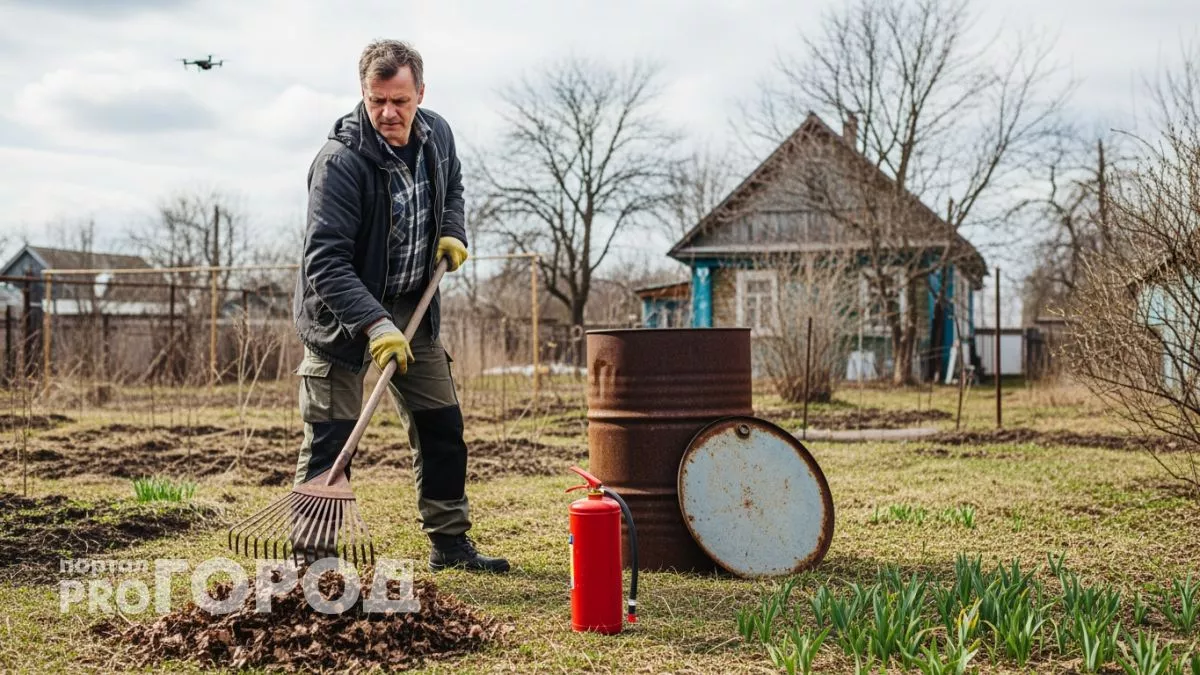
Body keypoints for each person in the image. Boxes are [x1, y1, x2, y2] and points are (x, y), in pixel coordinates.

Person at [291, 39, 509, 573]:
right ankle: (313, 563)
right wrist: (372, 323)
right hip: (342, 320)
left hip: (414, 307)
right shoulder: (339, 163)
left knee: (442, 426)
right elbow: (325, 262)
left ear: (420, 94)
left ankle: (450, 543)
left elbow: (453, 186)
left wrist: (452, 231)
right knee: (330, 438)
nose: (389, 113)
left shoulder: (438, 136)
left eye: (400, 100)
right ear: (362, 95)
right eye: (377, 100)